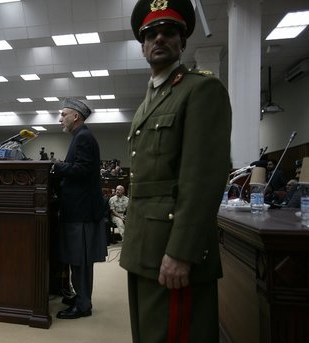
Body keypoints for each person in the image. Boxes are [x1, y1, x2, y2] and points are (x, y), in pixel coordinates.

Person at [120, 1, 232, 342]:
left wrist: (182, 252)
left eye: (169, 32)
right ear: (142, 47)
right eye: (151, 34)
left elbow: (203, 180)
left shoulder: (200, 89)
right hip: (144, 246)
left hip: (173, 249)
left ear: (182, 42)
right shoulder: (149, 101)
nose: (159, 39)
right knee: (150, 333)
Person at [51, 98, 107, 319]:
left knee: (80, 260)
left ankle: (83, 305)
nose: (60, 118)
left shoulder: (83, 137)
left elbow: (82, 170)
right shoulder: (80, 136)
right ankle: (81, 297)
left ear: (76, 116)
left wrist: (57, 166)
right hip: (77, 209)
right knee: (76, 259)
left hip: (81, 211)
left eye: (63, 114)